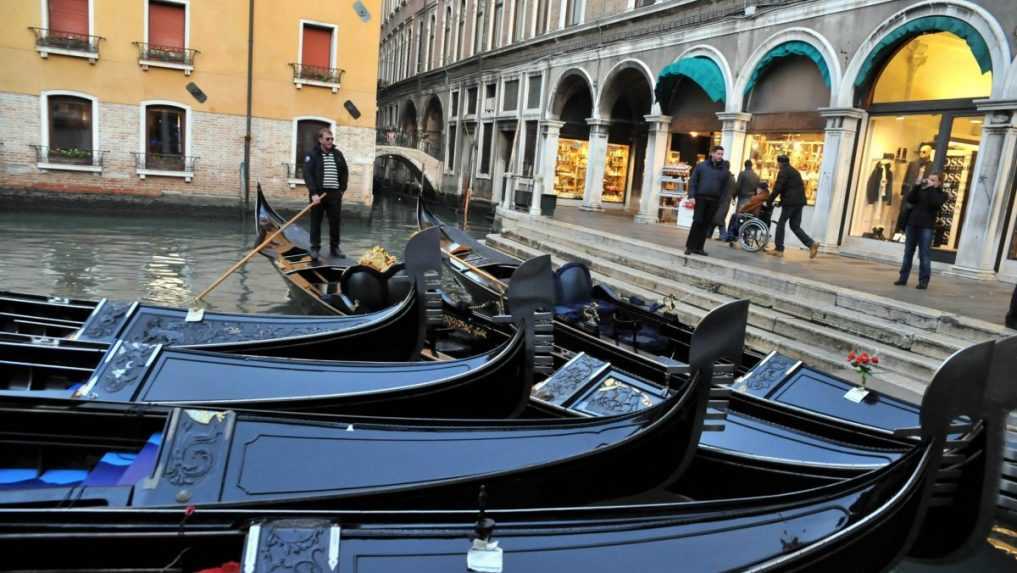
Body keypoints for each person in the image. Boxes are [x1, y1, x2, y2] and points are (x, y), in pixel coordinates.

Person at [894, 173, 947, 290]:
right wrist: (917, 186)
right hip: (912, 225)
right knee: (908, 253)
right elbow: (910, 199)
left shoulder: (942, 194)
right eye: (929, 179)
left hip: (926, 227)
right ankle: (903, 278)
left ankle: (923, 281)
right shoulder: (921, 191)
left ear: (939, 183)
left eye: (933, 180)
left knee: (924, 255)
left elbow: (935, 203)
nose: (929, 181)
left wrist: (932, 188)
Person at [303, 127, 349, 259]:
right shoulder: (312, 154)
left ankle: (335, 248)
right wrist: (313, 193)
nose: (330, 141)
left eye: (332, 139)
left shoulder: (338, 154)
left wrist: (341, 190)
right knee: (316, 222)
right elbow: (308, 174)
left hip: (334, 194)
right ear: (320, 140)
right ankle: (315, 248)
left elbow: (345, 172)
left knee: (335, 222)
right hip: (318, 194)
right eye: (327, 139)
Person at [766, 155, 819, 259]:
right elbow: (791, 188)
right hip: (799, 202)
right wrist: (781, 202)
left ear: (779, 163)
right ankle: (811, 244)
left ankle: (778, 249)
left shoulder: (783, 171)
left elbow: (778, 188)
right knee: (795, 226)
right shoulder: (794, 171)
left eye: (778, 163)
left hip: (790, 203)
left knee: (781, 224)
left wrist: (769, 200)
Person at [684, 145, 732, 256]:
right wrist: (691, 196)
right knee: (697, 222)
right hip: (700, 198)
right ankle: (690, 247)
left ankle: (699, 248)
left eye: (721, 154)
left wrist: (721, 201)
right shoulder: (701, 166)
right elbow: (693, 182)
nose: (720, 156)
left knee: (706, 225)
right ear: (712, 153)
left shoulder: (725, 171)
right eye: (718, 153)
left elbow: (725, 188)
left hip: (714, 200)